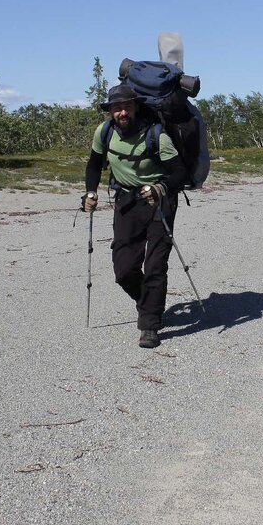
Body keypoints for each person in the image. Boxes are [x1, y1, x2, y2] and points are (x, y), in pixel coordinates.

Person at [82, 82, 187, 348]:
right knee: (124, 268)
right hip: (127, 200)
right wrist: (90, 192)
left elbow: (179, 172)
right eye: (116, 108)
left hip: (159, 200)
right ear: (110, 112)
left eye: (127, 106)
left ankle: (149, 325)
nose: (122, 113)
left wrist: (160, 187)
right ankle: (150, 304)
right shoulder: (104, 133)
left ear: (136, 107)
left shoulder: (156, 135)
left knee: (154, 264)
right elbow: (94, 164)